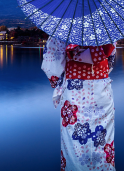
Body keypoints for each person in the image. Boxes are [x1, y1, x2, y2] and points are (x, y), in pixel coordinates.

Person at [42, 36, 116, 171]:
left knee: (74, 146)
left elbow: (52, 65)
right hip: (102, 91)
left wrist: (59, 80)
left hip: (74, 93)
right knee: (102, 142)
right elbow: (110, 60)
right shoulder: (106, 28)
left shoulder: (64, 29)